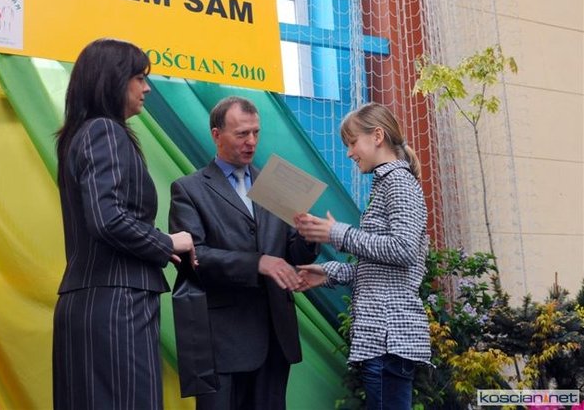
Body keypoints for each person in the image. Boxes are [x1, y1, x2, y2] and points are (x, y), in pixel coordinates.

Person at [53, 38, 196, 410]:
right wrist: (168, 242)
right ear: (113, 80)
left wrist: (155, 243)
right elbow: (108, 219)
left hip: (94, 302)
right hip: (117, 304)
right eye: (139, 78)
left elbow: (106, 217)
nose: (147, 88)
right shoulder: (104, 131)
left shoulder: (82, 134)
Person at [169, 96, 319, 410]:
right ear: (216, 135)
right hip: (222, 342)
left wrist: (308, 236)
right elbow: (195, 258)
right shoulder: (188, 188)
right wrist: (257, 263)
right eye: (241, 134)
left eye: (255, 132)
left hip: (276, 338)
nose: (251, 141)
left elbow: (295, 254)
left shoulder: (276, 184)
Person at [294, 102, 431, 410]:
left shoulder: (398, 182)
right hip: (383, 342)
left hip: (389, 341)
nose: (349, 153)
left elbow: (404, 249)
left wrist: (338, 234)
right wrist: (328, 272)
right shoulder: (388, 183)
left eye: (352, 142)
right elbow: (383, 270)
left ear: (378, 136)